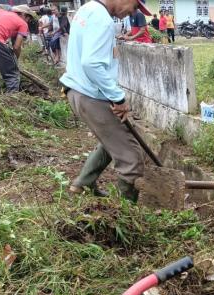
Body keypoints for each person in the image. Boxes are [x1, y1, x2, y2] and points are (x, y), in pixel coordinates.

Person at [61, 0, 152, 201]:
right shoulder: (102, 19)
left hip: (77, 90)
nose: (132, 13)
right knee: (132, 159)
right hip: (91, 94)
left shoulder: (87, 9)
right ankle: (125, 218)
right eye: (135, 7)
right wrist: (118, 97)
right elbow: (92, 64)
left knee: (112, 139)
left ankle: (83, 184)